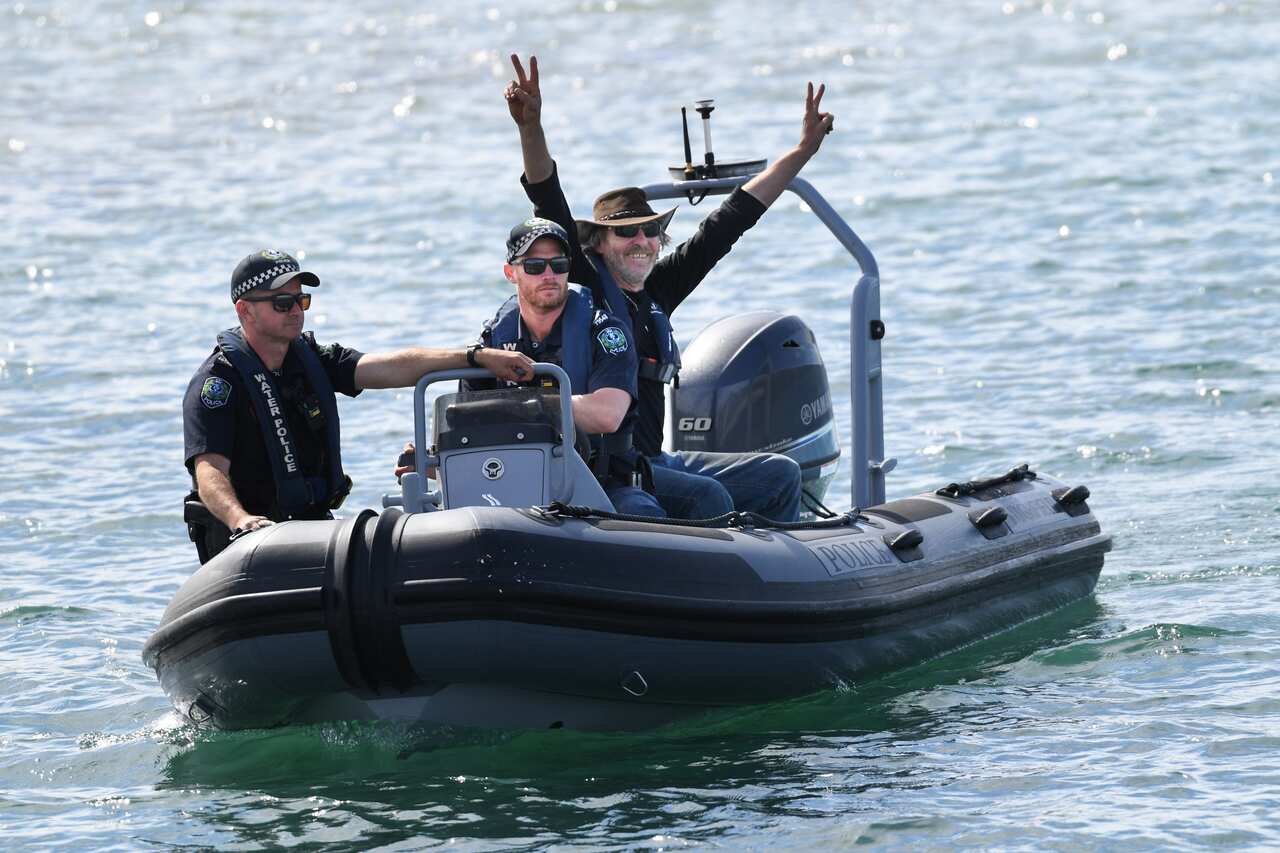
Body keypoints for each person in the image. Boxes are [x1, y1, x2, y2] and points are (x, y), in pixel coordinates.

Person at [503, 55, 833, 522]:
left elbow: (731, 220)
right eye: (626, 233)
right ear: (597, 243)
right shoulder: (582, 285)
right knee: (708, 501)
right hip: (609, 468)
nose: (641, 242)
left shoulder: (658, 289)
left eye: (650, 231)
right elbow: (546, 194)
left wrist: (801, 152)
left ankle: (782, 580)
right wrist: (530, 127)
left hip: (657, 459)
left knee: (780, 475)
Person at [182, 249, 534, 563]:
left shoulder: (311, 359)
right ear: (245, 311)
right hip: (245, 545)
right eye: (282, 303)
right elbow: (209, 471)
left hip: (307, 531)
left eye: (300, 301)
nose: (295, 311)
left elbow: (393, 365)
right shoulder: (218, 384)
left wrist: (476, 357)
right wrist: (240, 519)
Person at [458, 217, 665, 517]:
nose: (548, 274)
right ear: (510, 273)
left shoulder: (606, 332)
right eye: (534, 266)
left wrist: (520, 408)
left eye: (558, 265)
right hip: (517, 484)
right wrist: (430, 461)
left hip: (604, 481)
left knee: (673, 506)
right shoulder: (492, 342)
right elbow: (464, 426)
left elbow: (607, 415)